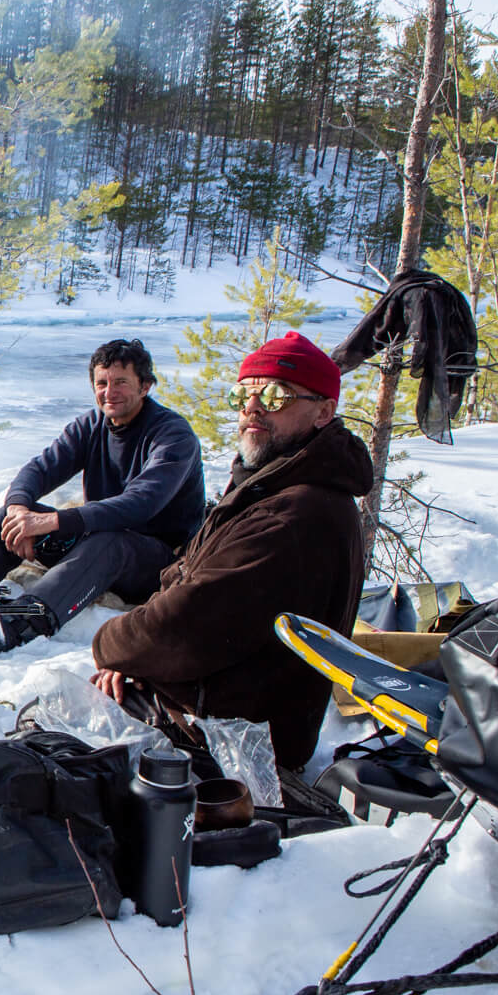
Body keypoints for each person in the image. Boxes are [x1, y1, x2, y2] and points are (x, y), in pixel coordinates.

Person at [90, 332, 372, 786]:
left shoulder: (297, 514)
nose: (254, 407)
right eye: (245, 394)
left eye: (276, 395)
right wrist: (138, 658)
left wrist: (112, 646)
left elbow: (187, 623)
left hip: (234, 745)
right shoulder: (271, 486)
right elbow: (185, 578)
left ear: (324, 412)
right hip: (211, 712)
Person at [0, 338, 205, 655]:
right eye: (102, 383)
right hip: (95, 543)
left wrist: (54, 521)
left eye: (121, 383)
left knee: (109, 542)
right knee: (14, 517)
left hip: (156, 560)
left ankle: (19, 623)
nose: (109, 392)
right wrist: (19, 510)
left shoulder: (173, 435)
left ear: (145, 387)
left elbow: (140, 503)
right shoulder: (92, 424)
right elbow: (40, 469)